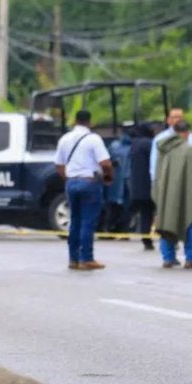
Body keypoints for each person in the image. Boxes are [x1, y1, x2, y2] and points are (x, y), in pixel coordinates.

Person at [55, 110, 114, 270]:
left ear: (75, 121)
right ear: (89, 121)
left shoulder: (64, 139)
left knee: (75, 221)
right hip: (89, 182)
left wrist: (68, 178)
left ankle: (73, 259)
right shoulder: (93, 139)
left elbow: (59, 165)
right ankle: (86, 258)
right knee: (88, 221)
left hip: (71, 183)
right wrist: (108, 177)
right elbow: (106, 163)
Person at [152, 121, 192, 269]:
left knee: (167, 222)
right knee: (190, 222)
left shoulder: (163, 149)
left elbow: (157, 173)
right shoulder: (191, 151)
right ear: (187, 133)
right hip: (187, 194)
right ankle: (191, 258)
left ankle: (168, 258)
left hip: (166, 194)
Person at [149, 107, 192, 182]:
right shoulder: (160, 139)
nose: (178, 119)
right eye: (175, 117)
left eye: (180, 117)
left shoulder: (191, 136)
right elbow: (154, 161)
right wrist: (155, 180)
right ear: (168, 120)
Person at [129, 123, 155, 250]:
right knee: (150, 212)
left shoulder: (134, 144)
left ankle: (146, 238)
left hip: (136, 185)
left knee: (145, 213)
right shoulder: (148, 144)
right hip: (149, 183)